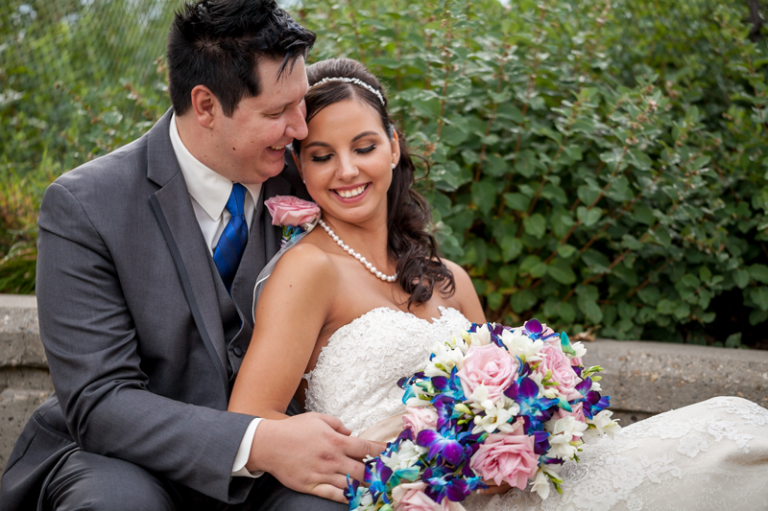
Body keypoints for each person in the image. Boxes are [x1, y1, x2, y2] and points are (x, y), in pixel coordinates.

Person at [228, 57, 768, 511]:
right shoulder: (308, 270)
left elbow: (511, 397)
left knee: (735, 425)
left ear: (393, 147)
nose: (346, 170)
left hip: (506, 485)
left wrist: (517, 434)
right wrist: (387, 451)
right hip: (413, 497)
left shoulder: (450, 280)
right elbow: (252, 419)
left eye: (363, 146)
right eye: (322, 156)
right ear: (301, 166)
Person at [0, 3, 381, 511]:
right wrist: (257, 440)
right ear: (205, 106)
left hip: (277, 464)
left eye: (300, 104)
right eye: (276, 113)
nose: (299, 128)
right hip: (119, 458)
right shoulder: (86, 206)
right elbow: (100, 403)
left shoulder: (310, 175)